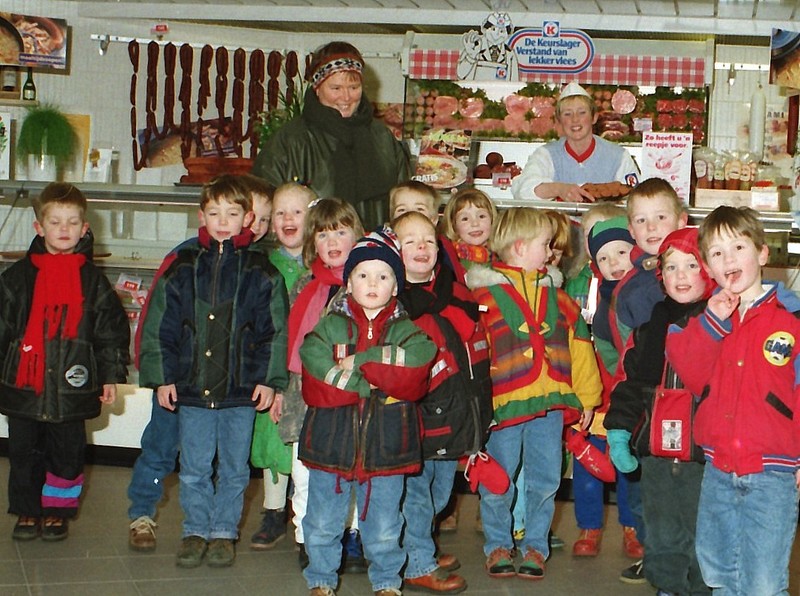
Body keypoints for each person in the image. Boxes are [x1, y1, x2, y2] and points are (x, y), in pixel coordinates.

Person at [138, 175, 289, 568]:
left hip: (241, 392)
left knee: (236, 469)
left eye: (232, 213)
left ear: (248, 219)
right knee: (194, 467)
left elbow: (275, 332)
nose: (223, 221)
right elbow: (160, 327)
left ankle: (223, 531)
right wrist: (162, 378)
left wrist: (269, 381)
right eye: (214, 213)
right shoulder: (182, 268)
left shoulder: (263, 273)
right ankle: (194, 530)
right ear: (201, 215)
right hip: (191, 388)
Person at [666, 207, 800, 596]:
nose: (729, 260)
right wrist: (712, 323)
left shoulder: (791, 319)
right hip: (718, 470)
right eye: (717, 253)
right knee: (718, 571)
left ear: (762, 253)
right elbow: (689, 371)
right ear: (708, 267)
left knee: (763, 582)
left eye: (738, 247)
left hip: (773, 473)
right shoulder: (705, 319)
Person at [466, 207, 602, 580]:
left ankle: (535, 546)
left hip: (551, 405)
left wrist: (588, 398)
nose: (551, 251)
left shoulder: (560, 300)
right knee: (498, 478)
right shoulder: (483, 299)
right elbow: (473, 355)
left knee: (545, 478)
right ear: (521, 246)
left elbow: (580, 347)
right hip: (503, 406)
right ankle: (497, 544)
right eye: (546, 244)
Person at [298, 229, 436, 596]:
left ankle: (387, 581)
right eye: (362, 275)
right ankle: (321, 579)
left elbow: (419, 362)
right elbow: (313, 362)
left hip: (388, 447)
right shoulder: (329, 325)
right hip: (331, 444)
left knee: (386, 524)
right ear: (348, 283)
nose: (372, 283)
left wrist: (361, 360)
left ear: (396, 286)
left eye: (383, 276)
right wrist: (370, 383)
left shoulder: (407, 331)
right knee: (322, 520)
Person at [0, 182, 129, 542]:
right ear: (39, 227)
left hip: (73, 386)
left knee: (68, 453)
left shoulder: (94, 283)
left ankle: (57, 510)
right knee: (23, 452)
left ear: (84, 228)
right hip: (24, 387)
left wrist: (110, 375)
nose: (64, 229)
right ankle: (27, 509)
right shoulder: (16, 279)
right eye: (55, 222)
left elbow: (110, 332)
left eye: (72, 222)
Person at [605, 227, 714, 596]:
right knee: (661, 530)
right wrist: (619, 430)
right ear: (660, 275)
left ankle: (701, 589)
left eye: (691, 265)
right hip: (656, 453)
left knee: (703, 531)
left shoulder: (722, 327)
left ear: (709, 270)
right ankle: (667, 587)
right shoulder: (647, 332)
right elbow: (629, 384)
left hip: (705, 456)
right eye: (671, 267)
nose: (680, 275)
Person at [394, 211, 491, 594]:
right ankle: (417, 561)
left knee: (439, 493)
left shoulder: (454, 293)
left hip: (455, 411)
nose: (422, 247)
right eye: (410, 241)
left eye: (429, 241)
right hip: (418, 415)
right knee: (417, 494)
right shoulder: (396, 302)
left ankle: (418, 546)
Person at [278, 197, 364, 570]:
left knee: (351, 468)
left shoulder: (366, 282)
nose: (332, 242)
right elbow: (288, 341)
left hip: (348, 395)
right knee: (304, 471)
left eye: (340, 232)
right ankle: (307, 535)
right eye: (323, 234)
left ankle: (352, 534)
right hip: (304, 396)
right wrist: (280, 389)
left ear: (356, 235)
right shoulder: (305, 285)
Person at [610, 177, 687, 584]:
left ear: (681, 220)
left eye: (661, 217)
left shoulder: (699, 269)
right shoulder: (632, 285)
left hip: (689, 400)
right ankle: (652, 554)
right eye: (641, 220)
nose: (652, 227)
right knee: (643, 487)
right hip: (646, 401)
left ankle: (687, 560)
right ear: (631, 229)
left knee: (687, 491)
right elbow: (620, 344)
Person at [252, 41, 410, 230]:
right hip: (311, 247)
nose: (346, 97)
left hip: (374, 246)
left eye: (354, 87)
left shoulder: (383, 137)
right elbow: (263, 208)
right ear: (317, 88)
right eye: (336, 88)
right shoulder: (291, 140)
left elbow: (405, 201)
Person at [569, 217, 641, 559]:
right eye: (604, 257)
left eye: (621, 252)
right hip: (593, 390)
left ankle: (632, 527)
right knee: (588, 464)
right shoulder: (583, 290)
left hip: (629, 395)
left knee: (629, 466)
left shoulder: (645, 291)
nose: (614, 263)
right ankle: (589, 526)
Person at [250, 181, 313, 551]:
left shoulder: (323, 262)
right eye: (280, 213)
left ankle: (305, 512)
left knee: (305, 438)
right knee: (271, 436)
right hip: (273, 362)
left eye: (297, 212)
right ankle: (273, 509)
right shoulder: (264, 265)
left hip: (309, 367)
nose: (288, 219)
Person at [511, 81, 639, 202]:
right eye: (567, 114)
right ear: (559, 121)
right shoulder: (545, 154)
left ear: (594, 117)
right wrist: (559, 189)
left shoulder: (619, 156)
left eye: (582, 113)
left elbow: (636, 197)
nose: (575, 119)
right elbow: (523, 190)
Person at [441, 188, 497, 276]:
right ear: (453, 225)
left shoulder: (502, 257)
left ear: (492, 220)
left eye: (481, 216)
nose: (475, 223)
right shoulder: (448, 261)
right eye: (465, 219)